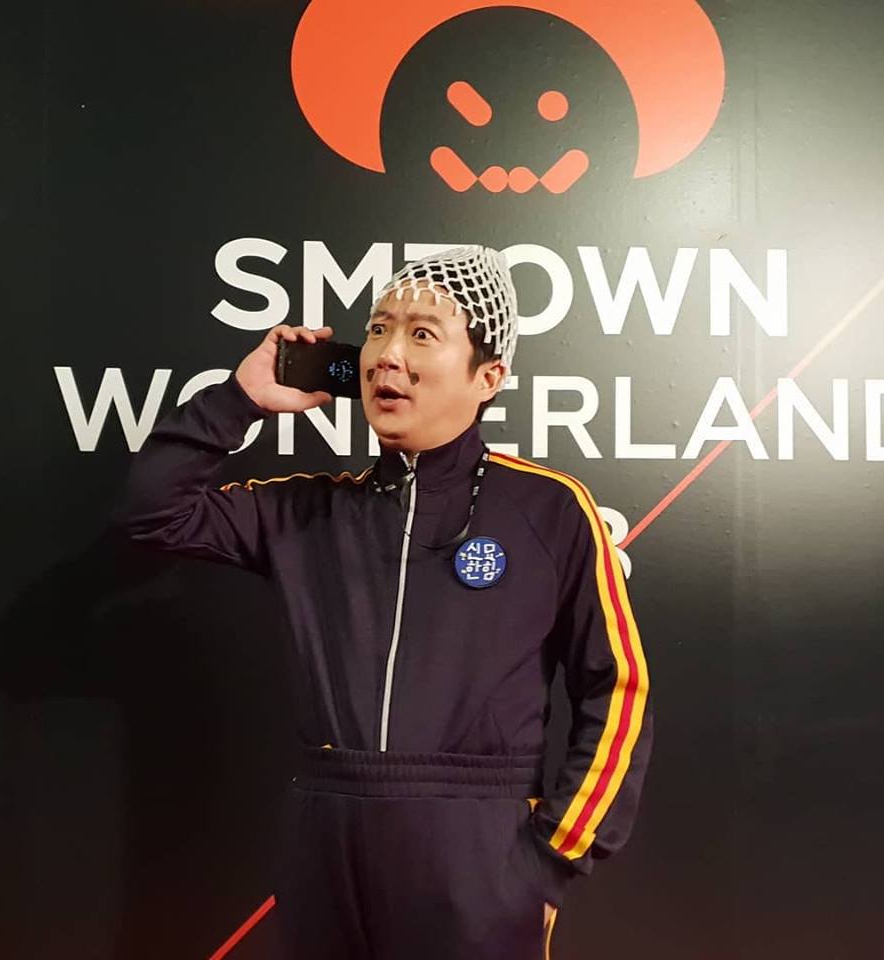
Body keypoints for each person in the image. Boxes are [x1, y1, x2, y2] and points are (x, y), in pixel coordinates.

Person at [112, 245, 652, 960]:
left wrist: (551, 859)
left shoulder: (550, 510)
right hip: (324, 843)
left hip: (479, 853)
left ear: (488, 376)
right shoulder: (307, 511)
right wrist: (239, 400)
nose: (388, 356)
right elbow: (151, 512)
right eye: (377, 330)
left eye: (423, 334)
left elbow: (617, 690)